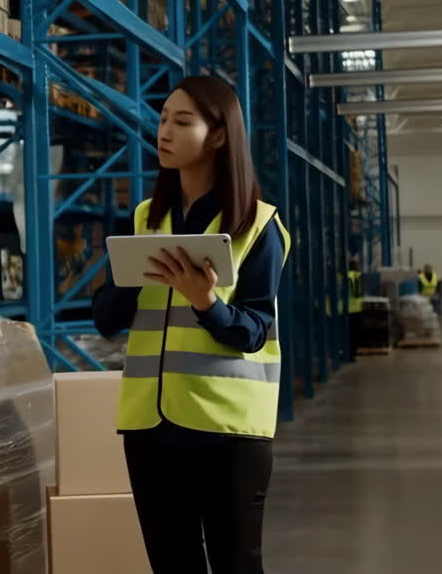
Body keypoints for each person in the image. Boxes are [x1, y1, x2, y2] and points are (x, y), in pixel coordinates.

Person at [92, 75, 291, 574]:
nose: (165, 132)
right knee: (171, 564)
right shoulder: (144, 219)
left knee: (235, 565)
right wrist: (135, 279)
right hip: (149, 428)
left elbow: (253, 330)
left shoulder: (255, 225)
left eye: (182, 122)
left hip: (227, 432)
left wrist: (206, 302)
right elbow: (107, 319)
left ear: (220, 136)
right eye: (162, 120)